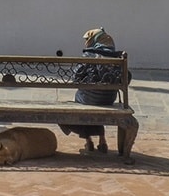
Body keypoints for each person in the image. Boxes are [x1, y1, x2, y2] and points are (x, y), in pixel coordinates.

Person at [58, 28, 136, 156]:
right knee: (96, 101)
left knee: (82, 100)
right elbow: (126, 79)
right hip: (109, 99)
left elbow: (76, 78)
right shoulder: (117, 56)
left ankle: (88, 140)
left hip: (88, 98)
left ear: (94, 40)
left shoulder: (90, 55)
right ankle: (102, 139)